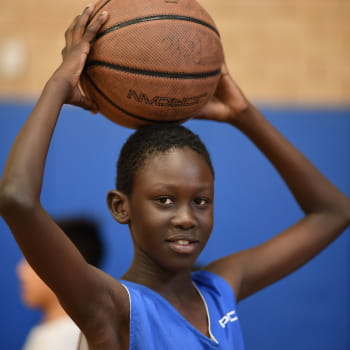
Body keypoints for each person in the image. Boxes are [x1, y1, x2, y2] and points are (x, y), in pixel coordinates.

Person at [0, 4, 349, 350]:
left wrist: (244, 115)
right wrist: (60, 83)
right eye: (164, 200)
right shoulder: (111, 306)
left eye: (201, 201)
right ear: (121, 207)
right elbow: (16, 198)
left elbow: (334, 212)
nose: (186, 218)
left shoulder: (220, 288)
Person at [17, 218, 104, 350]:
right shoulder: (54, 334)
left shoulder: (65, 340)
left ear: (65, 268)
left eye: (31, 259)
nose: (21, 270)